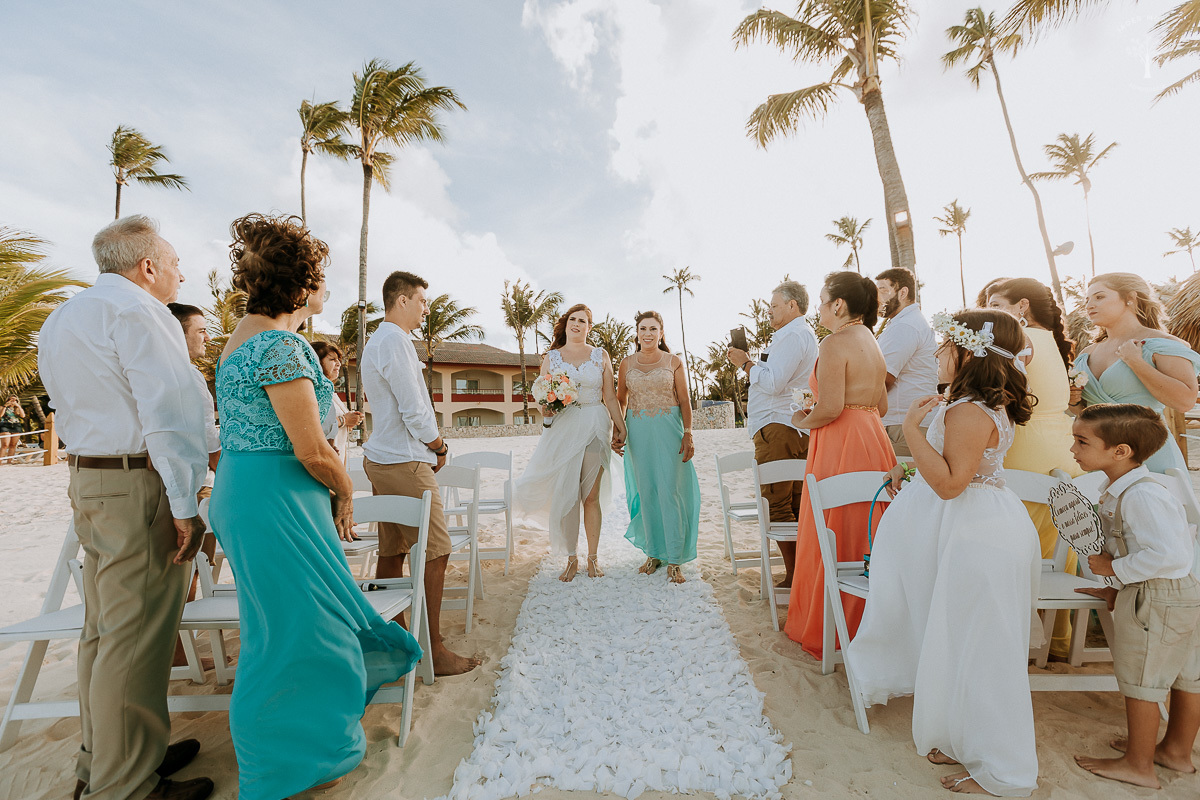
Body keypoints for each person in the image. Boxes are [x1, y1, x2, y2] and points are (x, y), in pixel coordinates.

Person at [209, 214, 422, 799]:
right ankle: (277, 767)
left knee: (287, 627)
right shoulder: (280, 344)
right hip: (275, 496)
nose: (326, 287)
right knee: (301, 631)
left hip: (251, 491)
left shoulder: (238, 339)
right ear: (301, 285)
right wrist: (346, 489)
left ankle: (301, 751)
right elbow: (310, 448)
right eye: (321, 277)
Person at [38, 215, 214, 800]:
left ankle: (112, 758)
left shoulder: (63, 316)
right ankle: (125, 784)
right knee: (134, 635)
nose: (180, 273)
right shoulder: (140, 312)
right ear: (147, 267)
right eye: (175, 263)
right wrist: (185, 503)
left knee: (103, 631)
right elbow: (166, 415)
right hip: (136, 481)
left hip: (89, 479)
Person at [846, 309, 1041, 797]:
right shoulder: (976, 404)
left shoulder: (968, 409)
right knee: (964, 641)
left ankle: (1004, 771)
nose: (937, 352)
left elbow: (953, 484)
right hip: (977, 527)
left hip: (976, 536)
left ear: (968, 352)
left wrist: (912, 432)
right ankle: (964, 738)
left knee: (983, 648)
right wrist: (911, 469)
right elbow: (966, 467)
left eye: (945, 344)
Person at [1070, 404, 1200, 790]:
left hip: (1157, 596)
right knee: (1185, 674)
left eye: (1082, 442)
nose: (1073, 449)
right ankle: (1175, 752)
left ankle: (1138, 765)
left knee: (1143, 678)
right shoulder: (1126, 489)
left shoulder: (1142, 496)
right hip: (1176, 593)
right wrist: (1115, 587)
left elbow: (1168, 556)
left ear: (1121, 451)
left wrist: (1115, 569)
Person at [360, 270, 481, 675]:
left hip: (382, 457)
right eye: (422, 301)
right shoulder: (394, 341)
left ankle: (395, 643)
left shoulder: (380, 340)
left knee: (393, 550)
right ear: (402, 300)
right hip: (403, 460)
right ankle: (433, 649)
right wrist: (439, 445)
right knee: (436, 550)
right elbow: (414, 410)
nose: (426, 309)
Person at [783, 272, 895, 658]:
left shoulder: (834, 343)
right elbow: (882, 406)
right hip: (873, 437)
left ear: (839, 304)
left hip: (840, 441)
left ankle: (833, 626)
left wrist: (801, 419)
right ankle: (869, 622)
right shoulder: (872, 341)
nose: (818, 308)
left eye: (821, 300)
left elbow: (830, 408)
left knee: (834, 525)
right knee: (867, 525)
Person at [986, 277, 1082, 657]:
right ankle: (1055, 639)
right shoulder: (1053, 341)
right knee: (1059, 547)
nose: (990, 313)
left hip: (1026, 446)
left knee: (1015, 542)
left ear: (1021, 306)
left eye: (996, 304)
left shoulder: (1020, 339)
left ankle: (1017, 639)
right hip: (1060, 446)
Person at [514, 303, 627, 581]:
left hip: (595, 424)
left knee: (591, 496)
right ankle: (572, 558)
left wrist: (621, 427)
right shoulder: (552, 358)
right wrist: (546, 408)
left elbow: (610, 397)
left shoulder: (600, 355)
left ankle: (593, 558)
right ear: (566, 325)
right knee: (568, 495)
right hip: (564, 429)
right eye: (572, 319)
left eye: (582, 320)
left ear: (589, 327)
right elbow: (542, 396)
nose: (577, 324)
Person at [726, 280, 818, 588]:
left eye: (774, 305)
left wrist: (745, 364)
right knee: (795, 503)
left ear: (792, 305)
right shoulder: (800, 335)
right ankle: (802, 573)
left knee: (775, 503)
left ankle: (795, 577)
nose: (769, 311)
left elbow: (775, 383)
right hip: (790, 426)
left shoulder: (792, 336)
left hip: (777, 427)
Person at [1071, 272, 1200, 474]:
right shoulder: (1087, 354)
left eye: (1099, 297)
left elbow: (1185, 401)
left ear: (1130, 298)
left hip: (1147, 453)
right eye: (1087, 300)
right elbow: (1083, 412)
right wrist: (1073, 402)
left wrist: (1136, 362)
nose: (1089, 305)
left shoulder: (1161, 344)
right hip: (1099, 459)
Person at [615, 310, 700, 583]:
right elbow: (621, 400)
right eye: (643, 328)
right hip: (638, 433)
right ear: (637, 333)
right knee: (647, 491)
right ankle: (653, 554)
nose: (648, 333)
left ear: (661, 333)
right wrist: (619, 429)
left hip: (669, 431)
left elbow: (685, 400)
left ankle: (675, 559)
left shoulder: (673, 362)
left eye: (653, 328)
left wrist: (688, 433)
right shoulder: (626, 364)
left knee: (669, 490)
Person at [166, 302, 222, 670]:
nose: (207, 336)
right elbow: (206, 437)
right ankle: (179, 651)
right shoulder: (187, 375)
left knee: (191, 567)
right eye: (200, 330)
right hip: (194, 483)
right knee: (193, 566)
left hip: (177, 479)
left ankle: (179, 649)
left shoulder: (157, 372)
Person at [875, 267, 938, 458]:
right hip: (904, 421)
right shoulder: (904, 322)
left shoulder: (905, 325)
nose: (878, 298)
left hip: (902, 424)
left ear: (902, 292)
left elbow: (883, 379)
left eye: (883, 290)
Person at [312, 341, 363, 461]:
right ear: (317, 362)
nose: (339, 363)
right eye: (332, 359)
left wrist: (350, 421)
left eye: (338, 360)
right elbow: (315, 426)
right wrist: (344, 420)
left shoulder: (332, 393)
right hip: (323, 458)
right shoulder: (313, 392)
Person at [0, 395, 26, 463]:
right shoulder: (2, 407)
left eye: (14, 400)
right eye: (11, 399)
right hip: (5, 425)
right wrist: (5, 406)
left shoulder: (17, 408)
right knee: (5, 444)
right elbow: (0, 415)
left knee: (13, 445)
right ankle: (0, 461)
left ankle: (9, 461)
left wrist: (18, 406)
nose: (12, 401)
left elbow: (23, 416)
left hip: (16, 425)